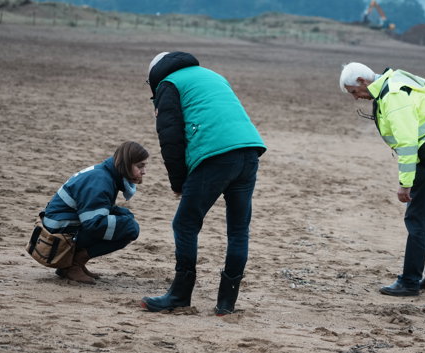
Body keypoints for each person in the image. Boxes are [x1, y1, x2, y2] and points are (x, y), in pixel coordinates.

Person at [141, 51, 266, 315]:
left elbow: (171, 138)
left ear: (154, 74)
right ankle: (226, 303)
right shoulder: (212, 75)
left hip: (216, 156)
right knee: (238, 229)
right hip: (250, 150)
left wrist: (178, 183)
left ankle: (179, 294)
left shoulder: (168, 84)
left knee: (185, 223)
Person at [339, 62, 425, 297]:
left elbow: (407, 142)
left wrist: (405, 183)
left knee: (417, 219)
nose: (356, 97)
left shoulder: (393, 94)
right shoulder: (391, 87)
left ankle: (410, 281)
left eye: (354, 91)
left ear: (363, 81)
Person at [41, 141, 148, 284]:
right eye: (139, 166)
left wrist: (125, 216)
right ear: (126, 164)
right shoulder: (101, 179)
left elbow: (97, 209)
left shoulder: (105, 173)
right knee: (129, 228)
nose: (144, 172)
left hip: (59, 226)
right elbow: (93, 223)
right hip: (55, 235)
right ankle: (72, 265)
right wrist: (128, 224)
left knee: (126, 220)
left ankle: (72, 263)